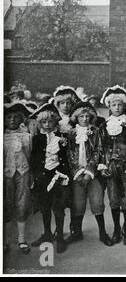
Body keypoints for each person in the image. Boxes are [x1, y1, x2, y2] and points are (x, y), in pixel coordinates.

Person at [65, 101, 113, 247]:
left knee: (97, 202)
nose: (85, 119)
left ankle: (103, 233)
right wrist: (78, 172)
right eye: (81, 116)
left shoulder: (96, 131)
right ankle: (77, 232)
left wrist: (89, 171)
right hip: (77, 174)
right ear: (76, 118)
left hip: (92, 174)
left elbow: (99, 151)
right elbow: (70, 154)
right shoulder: (71, 134)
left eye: (87, 116)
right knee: (78, 203)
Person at [97, 85, 126, 246]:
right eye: (114, 105)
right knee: (113, 199)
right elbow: (100, 149)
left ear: (124, 106)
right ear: (109, 106)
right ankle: (116, 228)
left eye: (120, 104)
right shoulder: (104, 127)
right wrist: (103, 165)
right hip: (110, 167)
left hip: (125, 166)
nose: (117, 107)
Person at [30, 103, 71, 254]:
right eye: (44, 122)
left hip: (58, 175)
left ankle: (60, 236)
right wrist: (38, 174)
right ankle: (47, 233)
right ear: (40, 123)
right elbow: (34, 159)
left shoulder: (62, 138)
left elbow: (67, 158)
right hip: (43, 176)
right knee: (44, 207)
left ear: (56, 122)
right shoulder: (36, 139)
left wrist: (62, 173)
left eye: (50, 122)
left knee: (58, 207)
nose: (47, 125)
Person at [3, 102, 33, 254]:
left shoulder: (27, 136)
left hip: (23, 173)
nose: (13, 120)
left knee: (22, 204)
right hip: (6, 175)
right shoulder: (2, 137)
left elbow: (29, 155)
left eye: (16, 117)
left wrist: (31, 175)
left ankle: (21, 239)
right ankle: (5, 241)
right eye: (9, 117)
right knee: (6, 206)